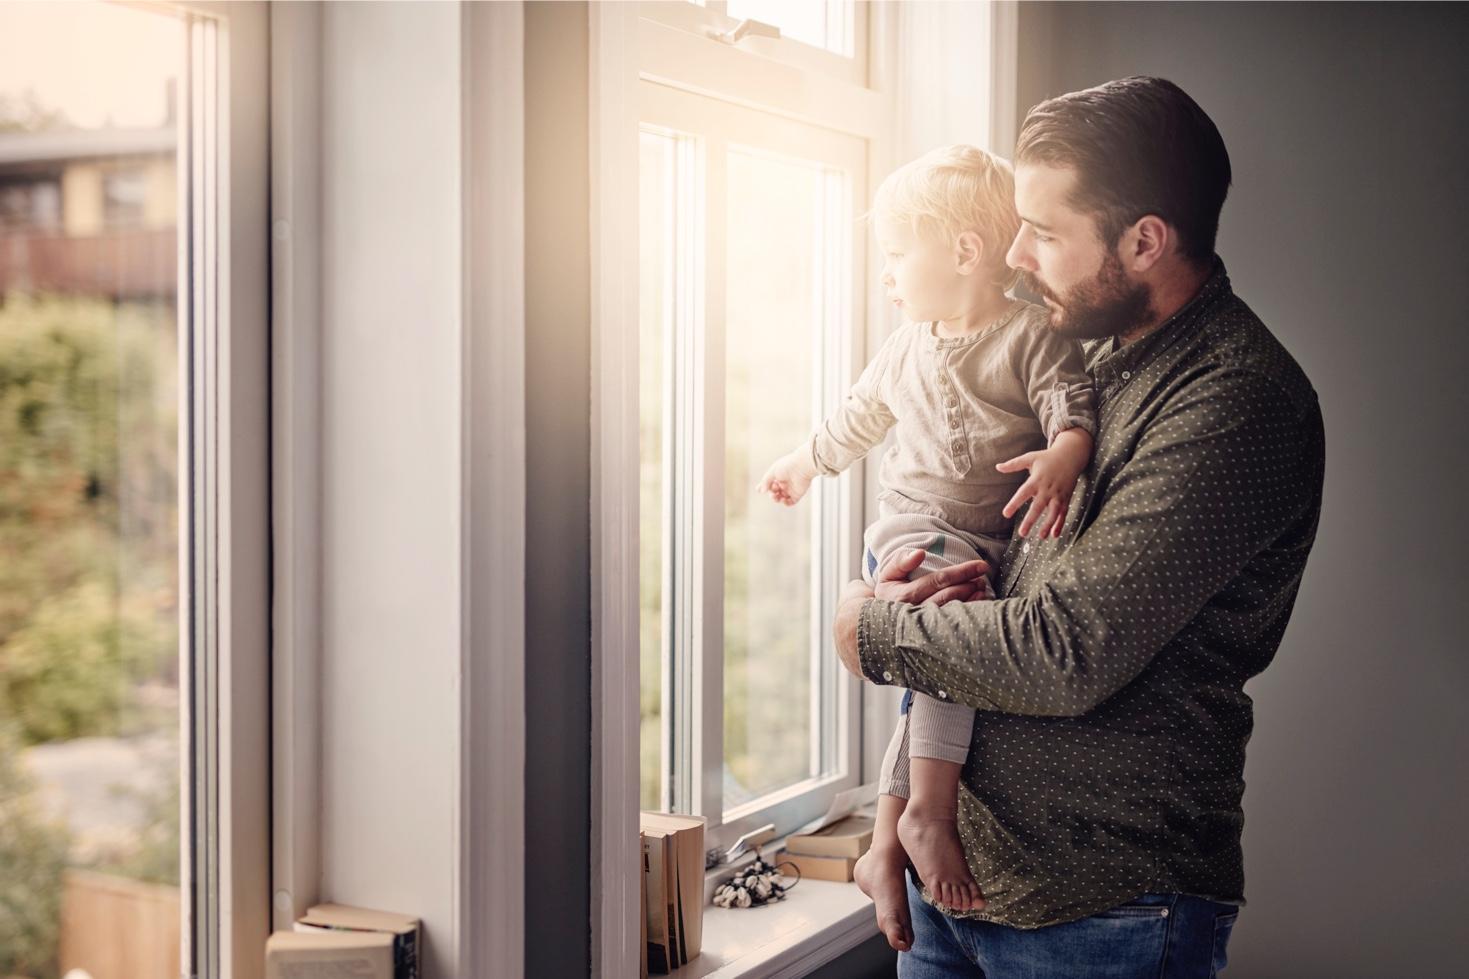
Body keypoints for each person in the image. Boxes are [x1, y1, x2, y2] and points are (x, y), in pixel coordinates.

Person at [832, 76, 1325, 978]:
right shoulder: (1078, 353)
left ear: (1144, 241)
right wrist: (896, 815)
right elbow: (975, 565)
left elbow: (1066, 650)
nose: (1016, 256)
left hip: (1106, 908)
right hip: (957, 889)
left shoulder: (1233, 400)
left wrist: (865, 625)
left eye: (1046, 232)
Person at [758, 144, 1096, 930]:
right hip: (914, 530)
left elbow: (1068, 404)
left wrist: (1064, 454)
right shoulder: (903, 345)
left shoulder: (1028, 336)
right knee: (950, 652)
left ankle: (883, 836)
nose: (886, 274)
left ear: (964, 252)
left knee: (929, 687)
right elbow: (857, 418)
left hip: (987, 545)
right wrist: (802, 463)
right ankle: (929, 814)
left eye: (895, 255)